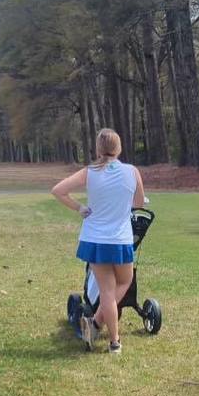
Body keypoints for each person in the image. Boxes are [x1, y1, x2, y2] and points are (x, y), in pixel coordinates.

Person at [52, 128, 146, 355]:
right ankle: (105, 334)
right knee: (124, 282)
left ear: (98, 149)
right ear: (119, 147)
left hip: (94, 238)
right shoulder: (132, 171)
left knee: (107, 290)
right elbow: (140, 203)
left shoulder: (89, 171)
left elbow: (58, 190)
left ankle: (103, 332)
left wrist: (80, 208)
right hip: (120, 238)